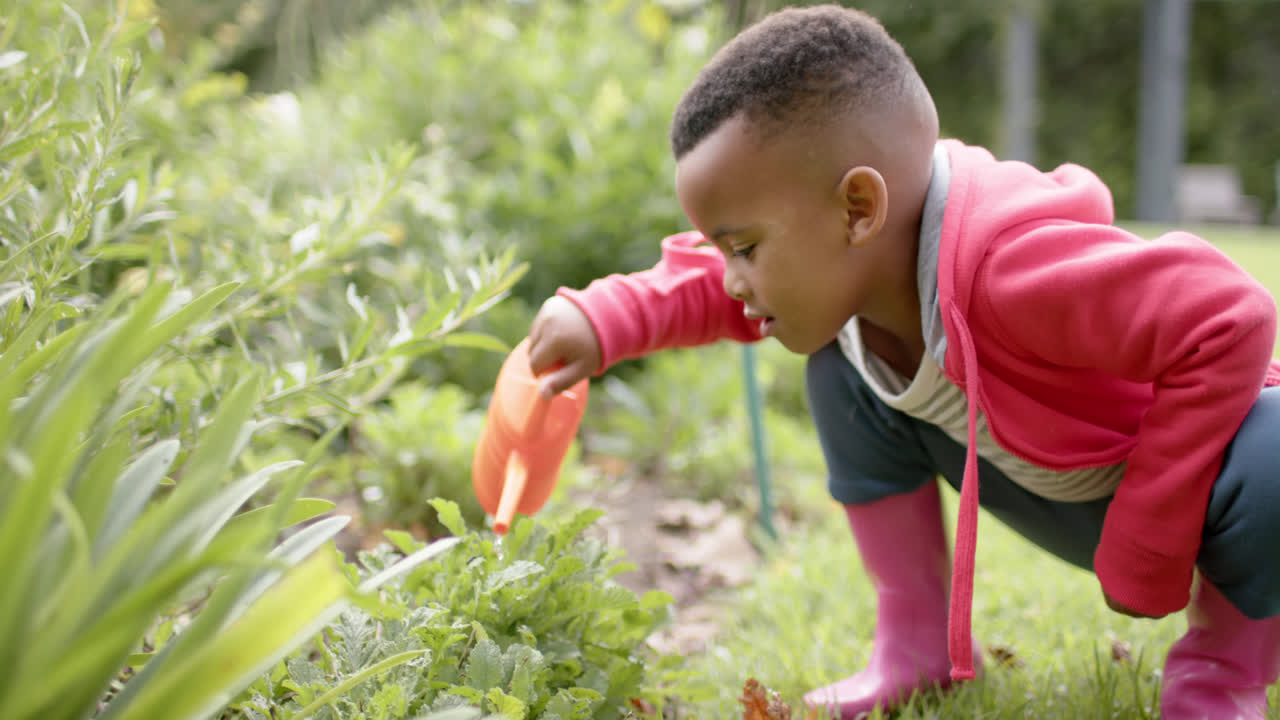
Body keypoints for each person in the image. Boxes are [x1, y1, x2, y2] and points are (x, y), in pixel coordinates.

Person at [524, 5, 1280, 719]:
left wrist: (1149, 535)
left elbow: (1230, 316)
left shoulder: (1009, 267)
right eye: (726, 250)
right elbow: (709, 285)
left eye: (744, 247)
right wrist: (606, 317)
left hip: (1200, 499)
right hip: (1069, 490)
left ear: (859, 208)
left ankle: (1223, 672)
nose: (731, 276)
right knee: (841, 364)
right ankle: (914, 646)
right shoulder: (864, 263)